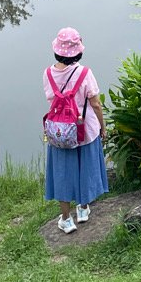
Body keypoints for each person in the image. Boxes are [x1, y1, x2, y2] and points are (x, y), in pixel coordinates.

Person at [43, 27, 108, 233]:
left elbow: (51, 99)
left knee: (62, 173)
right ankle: (83, 209)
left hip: (60, 131)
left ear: (57, 50)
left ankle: (66, 219)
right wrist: (103, 127)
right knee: (85, 168)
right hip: (84, 130)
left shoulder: (48, 73)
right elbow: (96, 103)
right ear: (78, 51)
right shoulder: (85, 73)